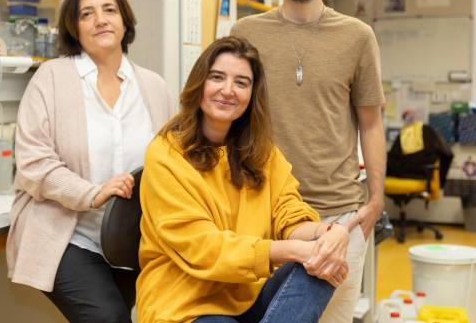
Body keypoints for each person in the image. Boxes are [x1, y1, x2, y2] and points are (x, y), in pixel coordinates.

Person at [230, 0, 386, 323]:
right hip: (266, 217)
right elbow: (229, 116)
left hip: (340, 216)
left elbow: (370, 122)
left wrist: (374, 202)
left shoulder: (357, 36)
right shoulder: (245, 33)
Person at [136, 36, 350, 323]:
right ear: (199, 83)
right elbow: (203, 249)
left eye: (241, 82)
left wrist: (328, 234)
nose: (227, 90)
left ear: (252, 95)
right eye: (217, 77)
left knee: (321, 268)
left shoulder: (262, 152)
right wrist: (288, 250)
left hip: (248, 295)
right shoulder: (166, 154)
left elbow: (289, 212)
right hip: (185, 304)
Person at [6, 0, 174, 323]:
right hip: (67, 233)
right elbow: (33, 162)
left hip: (132, 238)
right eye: (87, 13)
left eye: (109, 10)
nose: (100, 19)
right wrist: (92, 194)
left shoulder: (154, 87)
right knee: (109, 317)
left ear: (124, 20)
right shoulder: (51, 78)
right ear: (74, 27)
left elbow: (176, 158)